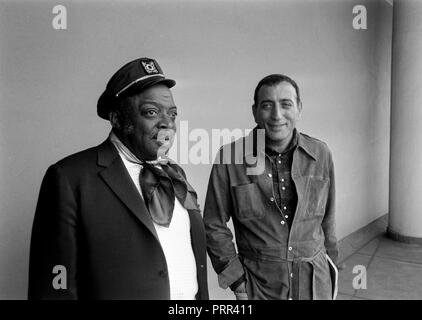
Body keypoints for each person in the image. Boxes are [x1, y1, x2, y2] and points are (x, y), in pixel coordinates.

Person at [28, 57, 208, 300]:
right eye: (151, 112)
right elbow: (53, 291)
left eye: (172, 114)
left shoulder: (175, 173)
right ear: (117, 119)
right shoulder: (69, 177)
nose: (167, 123)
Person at [204, 74, 339, 300]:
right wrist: (236, 280)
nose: (277, 115)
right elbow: (213, 223)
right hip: (259, 286)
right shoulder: (230, 158)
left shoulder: (320, 154)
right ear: (255, 111)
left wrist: (332, 266)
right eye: (267, 105)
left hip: (315, 283)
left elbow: (328, 219)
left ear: (299, 108)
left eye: (286, 104)